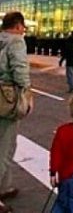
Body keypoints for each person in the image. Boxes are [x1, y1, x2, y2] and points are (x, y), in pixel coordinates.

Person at [0, 12, 33, 213]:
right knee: (5, 147)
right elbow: (20, 71)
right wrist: (28, 94)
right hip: (6, 99)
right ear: (18, 25)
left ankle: (4, 186)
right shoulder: (16, 42)